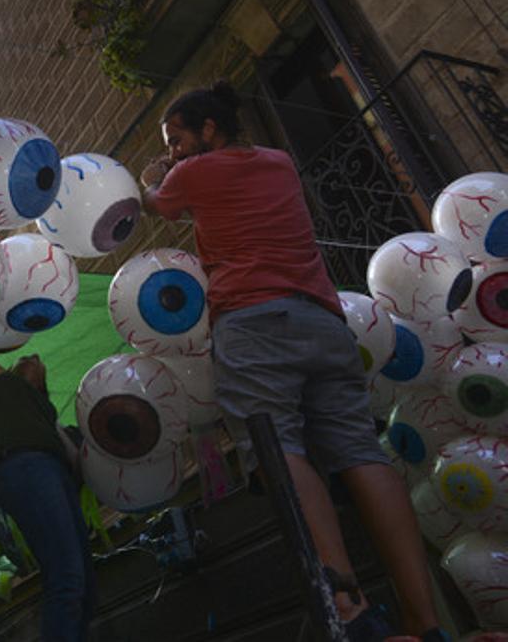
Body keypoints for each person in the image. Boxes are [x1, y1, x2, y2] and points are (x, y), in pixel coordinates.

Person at [139, 81, 446, 642]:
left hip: (254, 325)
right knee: (361, 453)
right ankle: (424, 621)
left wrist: (155, 174)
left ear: (209, 129)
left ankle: (347, 611)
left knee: (282, 451)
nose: (175, 150)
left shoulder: (191, 174)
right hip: (324, 322)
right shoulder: (279, 162)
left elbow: (157, 203)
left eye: (178, 137)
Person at [0, 325, 96, 641]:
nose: (32, 354)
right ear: (12, 370)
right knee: (67, 576)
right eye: (24, 357)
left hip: (54, 475)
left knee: (85, 581)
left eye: (35, 358)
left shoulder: (47, 416)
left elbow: (80, 466)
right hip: (24, 467)